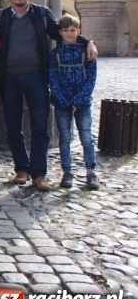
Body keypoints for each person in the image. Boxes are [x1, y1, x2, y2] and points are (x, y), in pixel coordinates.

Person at [0, 0, 97, 191]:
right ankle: (21, 169)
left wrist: (88, 42)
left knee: (41, 127)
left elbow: (63, 32)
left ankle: (39, 174)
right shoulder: (0, 17)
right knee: (13, 126)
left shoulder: (41, 14)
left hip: (37, 78)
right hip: (9, 78)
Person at [49, 14, 98, 190]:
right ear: (60, 32)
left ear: (79, 31)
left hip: (83, 103)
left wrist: (80, 100)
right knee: (65, 138)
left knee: (86, 137)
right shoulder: (55, 54)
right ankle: (67, 171)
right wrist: (63, 100)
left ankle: (91, 172)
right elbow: (52, 79)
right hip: (62, 103)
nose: (69, 34)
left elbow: (91, 78)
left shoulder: (87, 52)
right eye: (66, 30)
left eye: (72, 30)